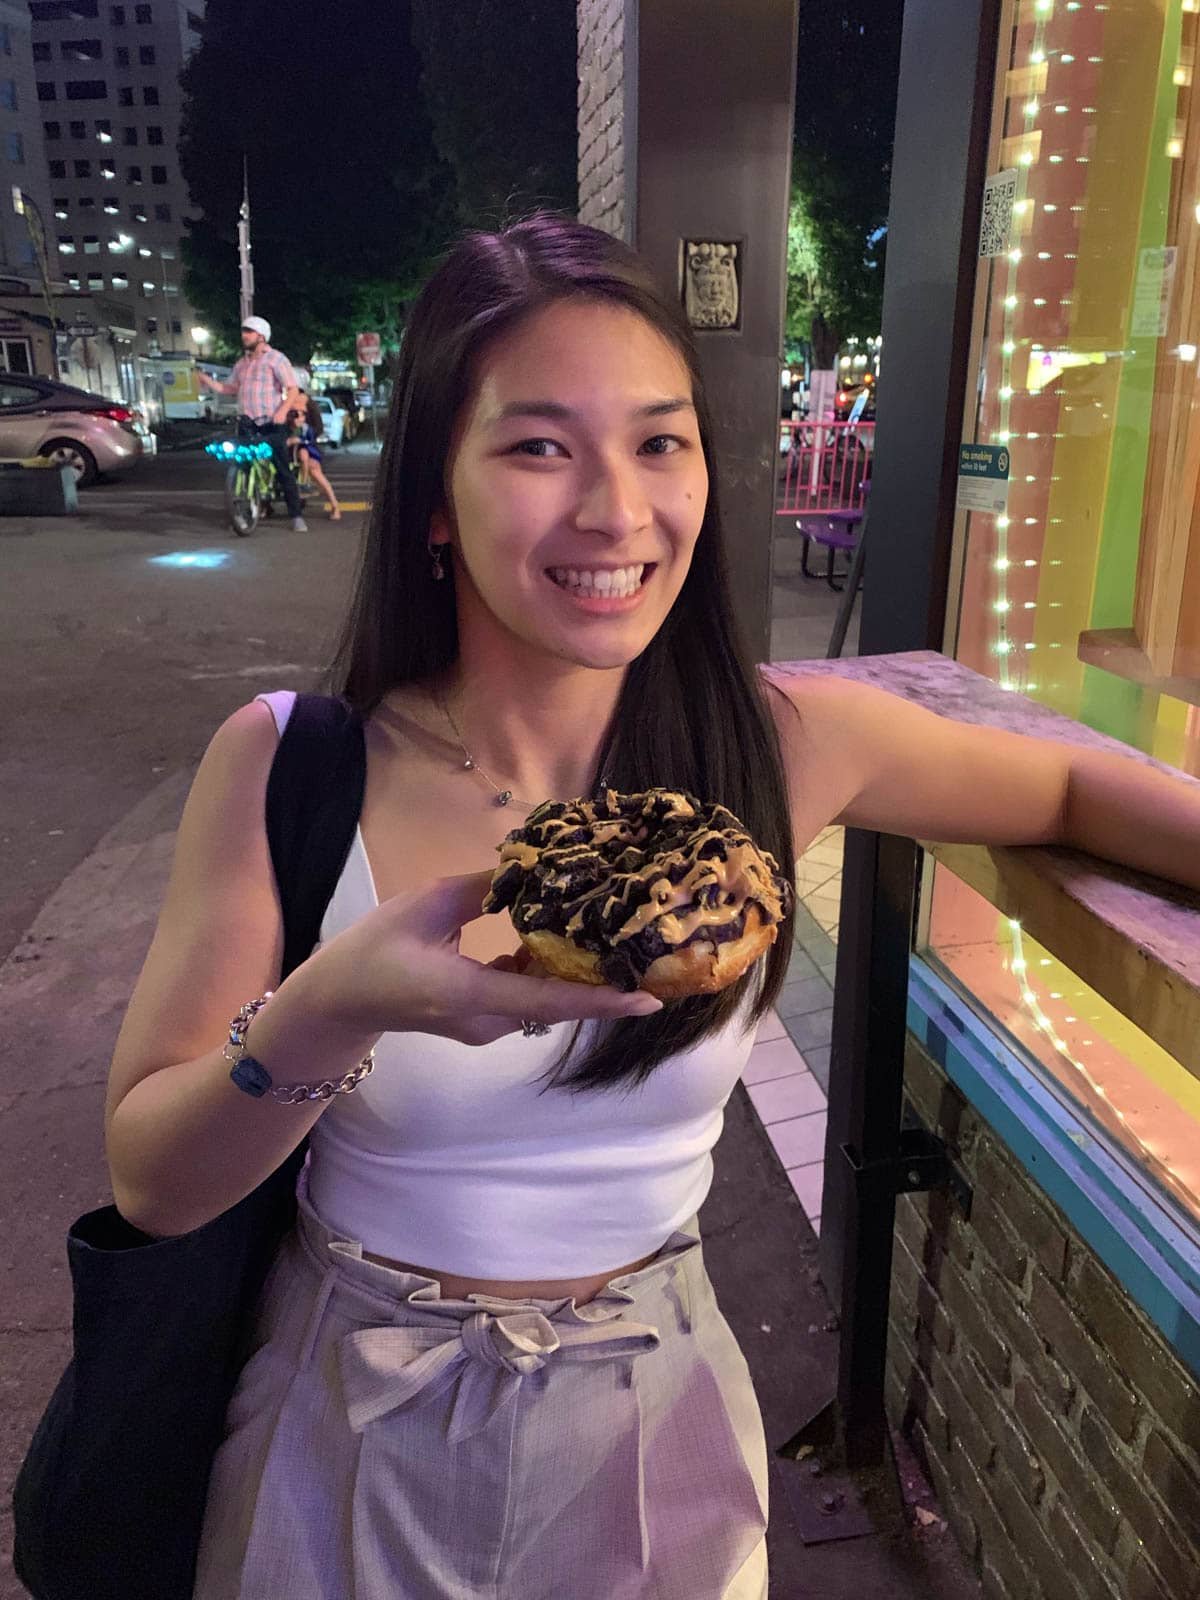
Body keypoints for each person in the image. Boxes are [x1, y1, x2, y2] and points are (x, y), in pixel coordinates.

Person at [103, 216, 1200, 1599]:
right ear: (434, 495)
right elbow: (151, 1178)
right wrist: (333, 1008)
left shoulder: (770, 748)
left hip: (651, 1411)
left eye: (659, 442)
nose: (617, 511)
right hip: (352, 1406)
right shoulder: (291, 766)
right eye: (539, 446)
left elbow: (1065, 794)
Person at [198, 315, 309, 532]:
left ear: (261, 336)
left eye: (248, 332)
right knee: (242, 464)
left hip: (271, 422)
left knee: (282, 468)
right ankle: (241, 511)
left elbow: (292, 388)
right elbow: (230, 389)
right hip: (247, 423)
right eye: (243, 331)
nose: (244, 336)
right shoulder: (242, 364)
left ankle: (296, 516)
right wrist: (208, 382)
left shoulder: (276, 359)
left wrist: (282, 411)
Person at [286, 401, 342, 519]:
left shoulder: (306, 429)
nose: (297, 418)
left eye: (300, 414)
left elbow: (309, 441)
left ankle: (334, 505)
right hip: (290, 458)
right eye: (293, 414)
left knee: (316, 473)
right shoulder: (286, 428)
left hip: (309, 455)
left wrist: (299, 441)